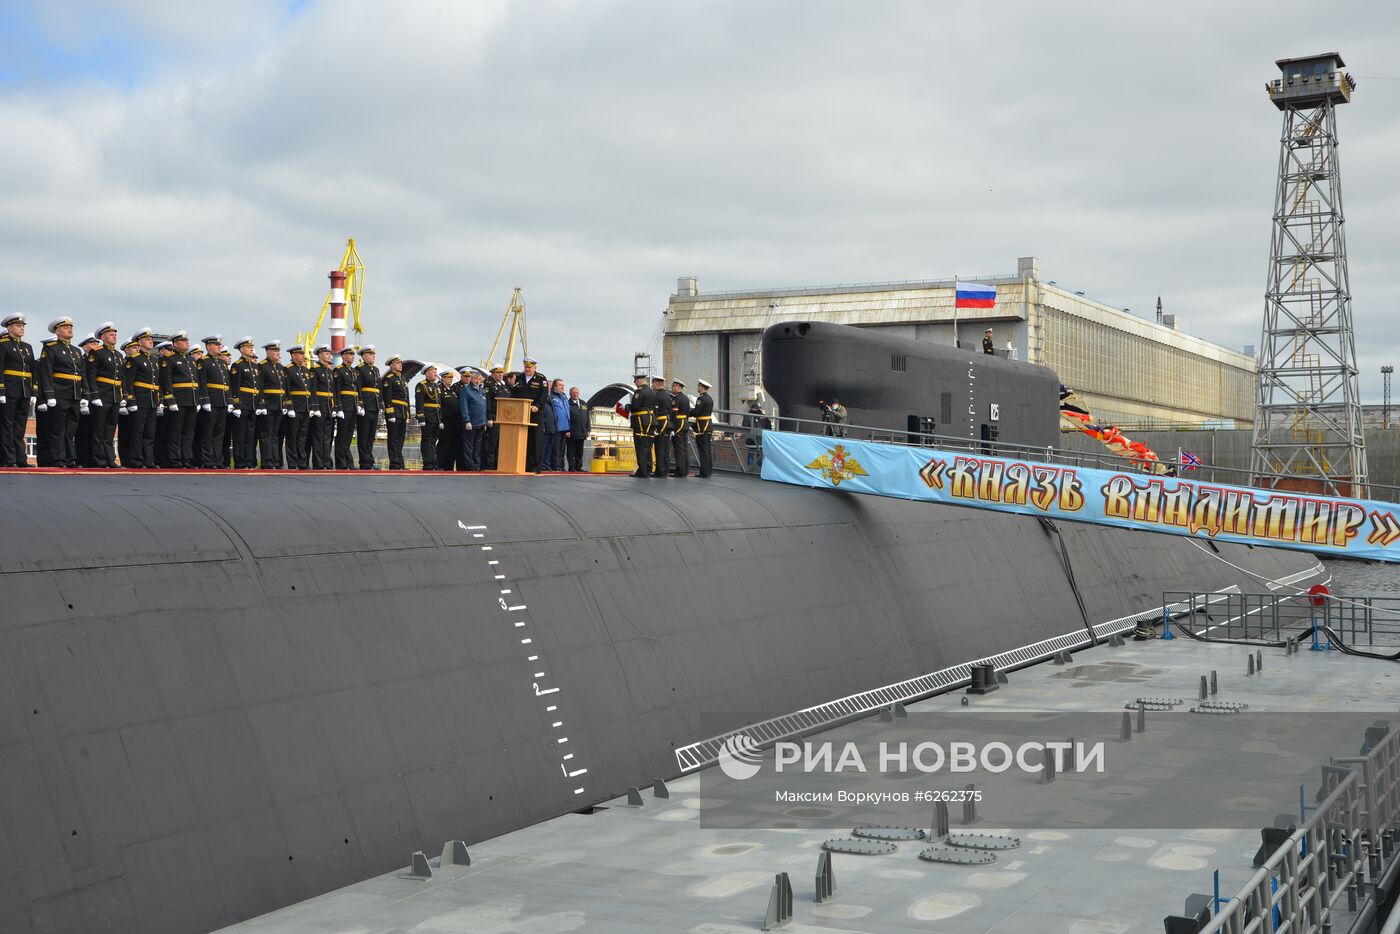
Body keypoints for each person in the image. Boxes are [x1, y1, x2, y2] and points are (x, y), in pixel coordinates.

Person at [37, 317, 84, 468]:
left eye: (71, 327)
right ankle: (58, 459)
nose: (69, 329)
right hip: (59, 393)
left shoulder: (76, 351)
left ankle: (70, 459)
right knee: (57, 428)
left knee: (70, 429)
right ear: (57, 331)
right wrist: (49, 394)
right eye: (65, 327)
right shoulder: (51, 348)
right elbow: (46, 373)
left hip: (74, 394)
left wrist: (84, 395)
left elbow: (81, 375)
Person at [80, 323, 123, 468]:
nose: (114, 336)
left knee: (110, 430)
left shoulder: (118, 355)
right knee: (98, 429)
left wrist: (122, 396)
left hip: (115, 396)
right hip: (102, 395)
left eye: (115, 334)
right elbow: (91, 375)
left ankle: (109, 459)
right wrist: (94, 395)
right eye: (111, 334)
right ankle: (98, 459)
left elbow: (120, 377)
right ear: (103, 337)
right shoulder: (97, 352)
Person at [160, 330, 199, 468]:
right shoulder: (169, 359)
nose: (187, 342)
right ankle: (175, 460)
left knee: (188, 432)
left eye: (187, 340)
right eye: (184, 341)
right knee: (175, 432)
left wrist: (198, 400)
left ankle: (187, 459)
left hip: (192, 400)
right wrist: (170, 400)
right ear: (175, 343)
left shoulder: (190, 360)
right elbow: (166, 381)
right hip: (178, 400)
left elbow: (196, 381)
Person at [0, 313, 35, 467]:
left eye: (22, 326)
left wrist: (33, 392)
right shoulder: (3, 345)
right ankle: (9, 459)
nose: (21, 328)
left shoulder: (27, 347)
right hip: (9, 390)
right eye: (18, 326)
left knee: (20, 427)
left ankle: (21, 459)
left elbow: (33, 371)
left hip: (24, 391)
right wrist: (1, 390)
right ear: (9, 328)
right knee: (7, 426)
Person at [123, 328, 161, 468]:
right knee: (137, 432)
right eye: (147, 339)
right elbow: (128, 381)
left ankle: (148, 460)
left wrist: (159, 401)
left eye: (151, 339)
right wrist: (131, 399)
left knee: (150, 432)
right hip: (139, 399)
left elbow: (158, 383)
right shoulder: (134, 359)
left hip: (152, 400)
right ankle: (136, 460)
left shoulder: (154, 360)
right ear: (139, 342)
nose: (150, 341)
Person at [195, 334, 230, 468]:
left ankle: (217, 460)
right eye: (217, 345)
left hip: (222, 401)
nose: (219, 347)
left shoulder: (221, 362)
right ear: (209, 346)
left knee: (219, 433)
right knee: (208, 432)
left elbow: (227, 384)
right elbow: (201, 382)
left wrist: (230, 401)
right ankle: (208, 460)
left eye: (220, 344)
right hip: (211, 400)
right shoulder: (203, 361)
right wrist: (205, 400)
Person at [511, 357, 548, 471]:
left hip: (535, 413)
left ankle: (536, 465)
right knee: (524, 439)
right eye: (526, 366)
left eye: (530, 367)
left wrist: (537, 406)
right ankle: (524, 464)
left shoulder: (541, 378)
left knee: (536, 440)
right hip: (521, 414)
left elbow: (544, 395)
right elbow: (514, 394)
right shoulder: (519, 378)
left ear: (535, 367)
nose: (527, 369)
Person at [229, 337, 261, 469]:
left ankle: (249, 461)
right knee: (240, 435)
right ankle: (240, 462)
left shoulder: (254, 366)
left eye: (252, 346)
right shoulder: (238, 365)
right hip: (242, 404)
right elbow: (235, 386)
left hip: (253, 404)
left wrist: (260, 404)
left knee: (250, 436)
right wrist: (236, 404)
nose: (251, 348)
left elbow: (259, 386)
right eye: (248, 347)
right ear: (241, 349)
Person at [256, 340, 287, 469]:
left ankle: (275, 460)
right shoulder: (262, 366)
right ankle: (267, 461)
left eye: (278, 351)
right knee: (266, 434)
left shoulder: (280, 368)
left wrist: (285, 404)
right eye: (275, 351)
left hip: (279, 405)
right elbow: (260, 387)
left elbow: (283, 388)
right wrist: (262, 404)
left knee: (275, 435)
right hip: (268, 405)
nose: (277, 353)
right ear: (268, 352)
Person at [616, 373, 653, 478]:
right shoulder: (651, 391)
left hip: (640, 422)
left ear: (640, 380)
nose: (635, 383)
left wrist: (626, 406)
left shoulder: (639, 391)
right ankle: (648, 468)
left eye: (636, 381)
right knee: (648, 446)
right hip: (650, 421)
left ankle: (642, 471)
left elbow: (635, 406)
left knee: (641, 446)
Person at [283, 344, 312, 469]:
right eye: (300, 354)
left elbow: (310, 390)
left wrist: (311, 407)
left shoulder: (306, 371)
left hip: (305, 407)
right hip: (295, 407)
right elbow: (287, 389)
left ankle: (302, 461)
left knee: (302, 436)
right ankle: (292, 462)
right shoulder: (288, 369)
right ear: (294, 355)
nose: (303, 356)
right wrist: (289, 406)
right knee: (292, 436)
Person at [74, 334, 101, 467]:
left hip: (97, 399)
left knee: (94, 430)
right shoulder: (82, 360)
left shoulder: (97, 359)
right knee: (82, 431)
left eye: (97, 343)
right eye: (93, 344)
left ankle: (93, 458)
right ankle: (82, 459)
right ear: (85, 346)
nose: (96, 346)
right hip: (84, 398)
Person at [308, 345, 336, 469]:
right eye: (326, 353)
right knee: (318, 436)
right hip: (320, 406)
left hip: (329, 406)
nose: (329, 355)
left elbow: (333, 391)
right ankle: (318, 463)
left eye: (329, 353)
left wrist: (335, 407)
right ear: (319, 355)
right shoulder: (315, 371)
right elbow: (312, 390)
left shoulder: (330, 372)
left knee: (327, 436)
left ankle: (326, 461)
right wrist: (315, 407)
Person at [333, 346, 359, 469]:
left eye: (353, 355)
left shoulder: (354, 371)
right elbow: (336, 391)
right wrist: (338, 408)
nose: (353, 357)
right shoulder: (338, 371)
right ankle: (341, 463)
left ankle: (348, 462)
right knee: (341, 436)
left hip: (353, 407)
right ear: (344, 356)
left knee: (348, 436)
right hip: (344, 406)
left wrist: (359, 405)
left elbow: (357, 391)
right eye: (350, 354)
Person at [381, 353, 409, 470]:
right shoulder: (389, 379)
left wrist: (408, 414)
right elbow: (387, 398)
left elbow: (406, 399)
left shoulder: (403, 379)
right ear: (391, 365)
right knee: (393, 439)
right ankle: (394, 463)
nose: (400, 365)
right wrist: (390, 413)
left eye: (400, 363)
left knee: (400, 439)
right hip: (394, 412)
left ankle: (399, 461)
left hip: (402, 412)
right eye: (398, 363)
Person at [356, 345, 381, 469]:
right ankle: (364, 461)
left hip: (374, 406)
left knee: (371, 436)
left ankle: (369, 460)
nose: (373, 356)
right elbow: (358, 388)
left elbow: (378, 389)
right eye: (370, 354)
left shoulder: (376, 370)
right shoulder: (360, 369)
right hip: (366, 405)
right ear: (363, 356)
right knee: (364, 435)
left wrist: (380, 404)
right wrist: (360, 404)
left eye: (373, 354)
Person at [460, 369, 488, 471]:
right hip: (471, 422)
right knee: (469, 445)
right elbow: (464, 406)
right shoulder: (466, 390)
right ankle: (469, 465)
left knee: (477, 446)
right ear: (471, 379)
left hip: (481, 422)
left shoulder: (482, 390)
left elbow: (484, 407)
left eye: (479, 379)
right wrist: (467, 420)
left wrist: (485, 420)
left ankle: (476, 465)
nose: (477, 381)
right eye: (476, 379)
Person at [415, 363, 441, 469]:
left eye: (435, 371)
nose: (435, 373)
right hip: (427, 416)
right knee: (426, 440)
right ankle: (427, 463)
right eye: (433, 371)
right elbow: (419, 402)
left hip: (436, 417)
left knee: (433, 440)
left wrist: (441, 419)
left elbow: (439, 404)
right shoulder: (422, 385)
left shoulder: (436, 386)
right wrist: (420, 417)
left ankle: (434, 461)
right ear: (427, 372)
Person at [539, 377, 568, 472]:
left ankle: (557, 465)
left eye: (563, 385)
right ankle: (554, 466)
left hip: (562, 427)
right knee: (553, 449)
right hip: (554, 427)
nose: (562, 387)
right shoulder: (551, 397)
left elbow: (566, 412)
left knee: (561, 449)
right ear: (554, 387)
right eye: (560, 385)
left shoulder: (564, 397)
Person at [482, 365, 507, 469]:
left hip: (503, 418)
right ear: (492, 373)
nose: (501, 374)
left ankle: (497, 465)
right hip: (494, 417)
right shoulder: (489, 385)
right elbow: (487, 402)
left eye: (502, 372)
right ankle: (489, 466)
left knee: (499, 444)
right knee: (491, 444)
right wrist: (489, 418)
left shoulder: (502, 385)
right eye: (498, 373)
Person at [437, 368, 461, 470]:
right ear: (442, 378)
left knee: (453, 445)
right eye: (448, 378)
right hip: (445, 421)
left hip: (454, 422)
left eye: (451, 378)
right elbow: (438, 406)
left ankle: (449, 466)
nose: (450, 380)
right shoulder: (439, 389)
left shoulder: (453, 390)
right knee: (444, 444)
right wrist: (440, 420)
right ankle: (441, 465)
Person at [649, 375, 671, 478]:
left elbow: (655, 411)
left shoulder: (657, 395)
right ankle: (665, 469)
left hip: (660, 423)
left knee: (659, 448)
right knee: (665, 448)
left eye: (653, 383)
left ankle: (660, 471)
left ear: (657, 383)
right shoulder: (668, 395)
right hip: (667, 422)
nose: (652, 385)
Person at [692, 378, 714, 478]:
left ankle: (704, 472)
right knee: (707, 450)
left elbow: (697, 412)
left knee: (703, 450)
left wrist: (688, 412)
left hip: (702, 426)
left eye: (698, 386)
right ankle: (708, 470)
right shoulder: (709, 398)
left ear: (702, 387)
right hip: (708, 425)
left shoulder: (701, 399)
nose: (697, 387)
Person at [668, 378, 690, 477]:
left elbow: (674, 414)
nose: (672, 388)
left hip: (678, 424)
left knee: (678, 449)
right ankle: (685, 470)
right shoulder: (686, 398)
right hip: (684, 423)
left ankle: (680, 471)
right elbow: (687, 413)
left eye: (673, 386)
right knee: (684, 448)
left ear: (678, 386)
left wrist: (672, 428)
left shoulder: (676, 398)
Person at [566, 386, 590, 472]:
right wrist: (567, 430)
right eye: (573, 393)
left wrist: (588, 430)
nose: (575, 394)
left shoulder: (583, 403)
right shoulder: (568, 404)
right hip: (572, 432)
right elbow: (566, 418)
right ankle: (571, 467)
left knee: (579, 452)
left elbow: (587, 417)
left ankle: (578, 467)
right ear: (570, 394)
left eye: (577, 393)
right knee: (571, 452)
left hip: (582, 432)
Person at [742, 401, 769, 467]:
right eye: (753, 408)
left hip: (760, 440)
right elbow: (745, 426)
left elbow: (768, 425)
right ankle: (750, 468)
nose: (754, 410)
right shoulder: (748, 416)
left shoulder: (762, 416)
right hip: (752, 440)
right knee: (751, 454)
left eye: (755, 408)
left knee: (758, 456)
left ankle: (757, 469)